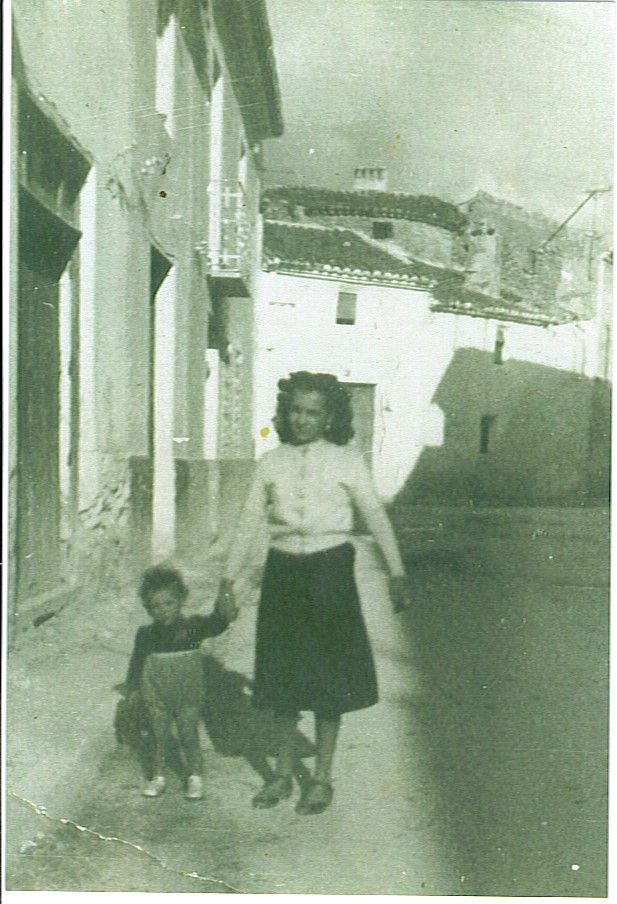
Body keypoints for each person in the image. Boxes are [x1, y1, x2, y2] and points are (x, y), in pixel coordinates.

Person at [215, 371, 411, 815]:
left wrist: (397, 572)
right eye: (296, 411)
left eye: (313, 412)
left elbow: (375, 516)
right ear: (285, 414)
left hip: (330, 573)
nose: (302, 420)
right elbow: (248, 523)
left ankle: (321, 778)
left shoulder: (348, 461)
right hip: (284, 573)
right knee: (282, 678)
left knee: (329, 679)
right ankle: (282, 774)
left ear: (329, 418)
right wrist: (228, 580)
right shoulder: (270, 463)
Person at [123, 565, 236, 799]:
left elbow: (220, 622)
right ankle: (158, 776)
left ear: (181, 600)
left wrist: (226, 590)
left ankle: (195, 776)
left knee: (188, 732)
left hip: (188, 691)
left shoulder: (193, 627)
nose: (163, 610)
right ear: (147, 607)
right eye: (156, 606)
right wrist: (132, 689)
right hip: (156, 691)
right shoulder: (145, 634)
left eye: (169, 603)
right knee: (159, 734)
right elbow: (136, 663)